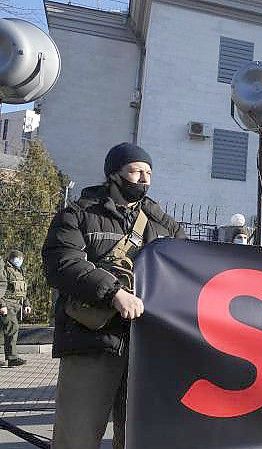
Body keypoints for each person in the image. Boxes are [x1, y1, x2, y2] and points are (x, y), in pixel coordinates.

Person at [42, 142, 185, 449]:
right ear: (114, 175)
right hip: (91, 340)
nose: (144, 179)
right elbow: (63, 264)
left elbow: (187, 263)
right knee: (76, 436)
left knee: (138, 437)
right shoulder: (78, 214)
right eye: (135, 171)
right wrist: (114, 293)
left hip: (146, 346)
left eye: (148, 172)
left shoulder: (162, 223)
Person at [0, 249, 32, 367]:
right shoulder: (4, 270)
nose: (19, 260)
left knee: (2, 332)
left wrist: (26, 304)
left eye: (20, 258)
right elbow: (1, 288)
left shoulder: (19, 271)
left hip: (16, 304)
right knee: (13, 327)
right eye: (16, 258)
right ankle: (12, 358)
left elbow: (23, 291)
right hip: (7, 304)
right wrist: (2, 305)